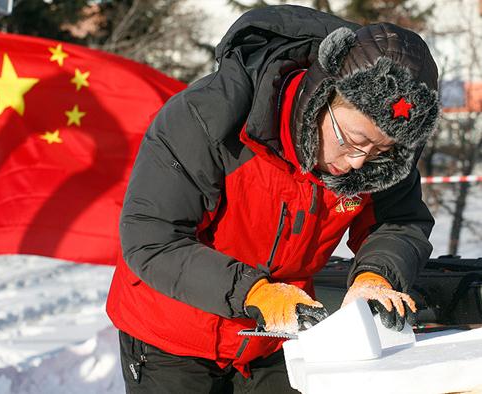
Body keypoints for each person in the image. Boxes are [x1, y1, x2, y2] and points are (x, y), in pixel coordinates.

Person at [106, 4, 440, 393]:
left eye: (379, 151)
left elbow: (399, 221)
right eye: (352, 140)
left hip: (275, 338)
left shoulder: (381, 158)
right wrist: (254, 292)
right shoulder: (209, 119)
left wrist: (376, 274)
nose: (358, 162)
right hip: (170, 336)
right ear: (322, 96)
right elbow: (153, 240)